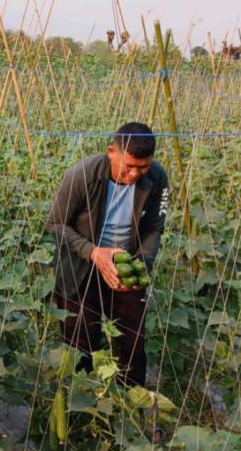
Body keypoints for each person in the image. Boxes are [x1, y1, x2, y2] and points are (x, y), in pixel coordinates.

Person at [46, 122, 169, 386]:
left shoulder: (157, 178)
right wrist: (94, 253)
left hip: (125, 265)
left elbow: (154, 228)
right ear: (111, 151)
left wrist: (141, 265)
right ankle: (81, 398)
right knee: (79, 341)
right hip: (80, 269)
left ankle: (131, 399)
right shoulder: (82, 175)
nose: (136, 173)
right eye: (129, 166)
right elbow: (55, 224)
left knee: (131, 341)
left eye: (143, 167)